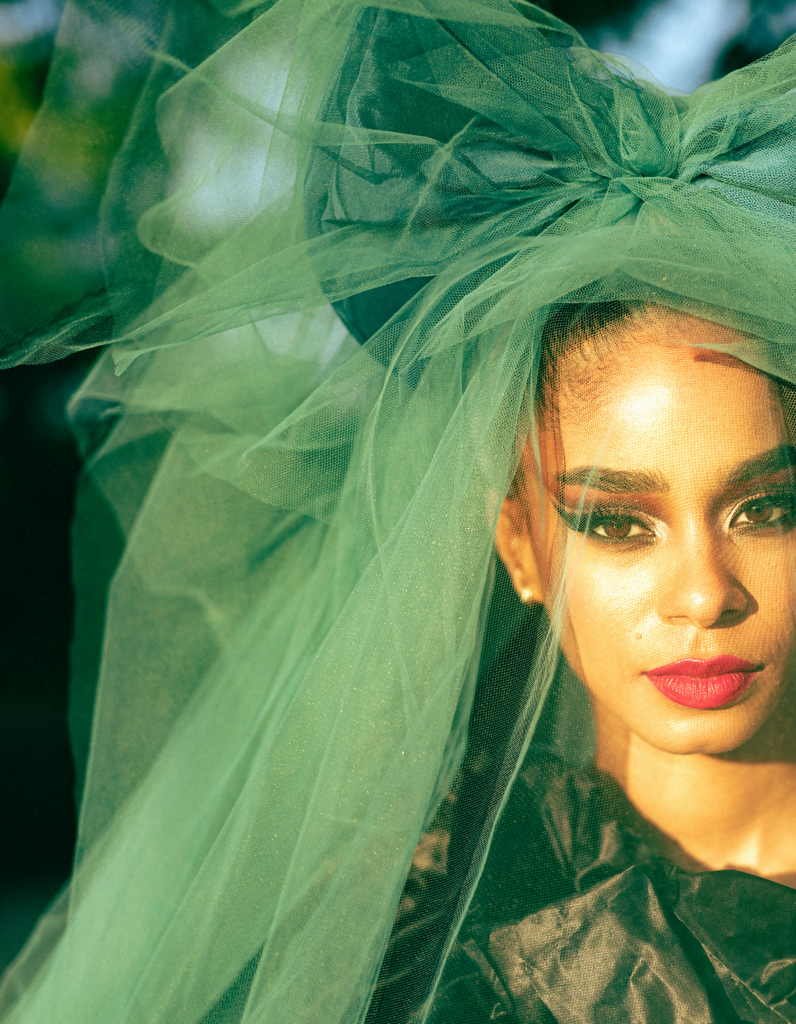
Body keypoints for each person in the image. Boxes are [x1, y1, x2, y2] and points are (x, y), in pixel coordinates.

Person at [1, 1, 796, 1022]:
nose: (701, 593)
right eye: (615, 521)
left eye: (769, 505)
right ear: (517, 537)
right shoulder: (407, 950)